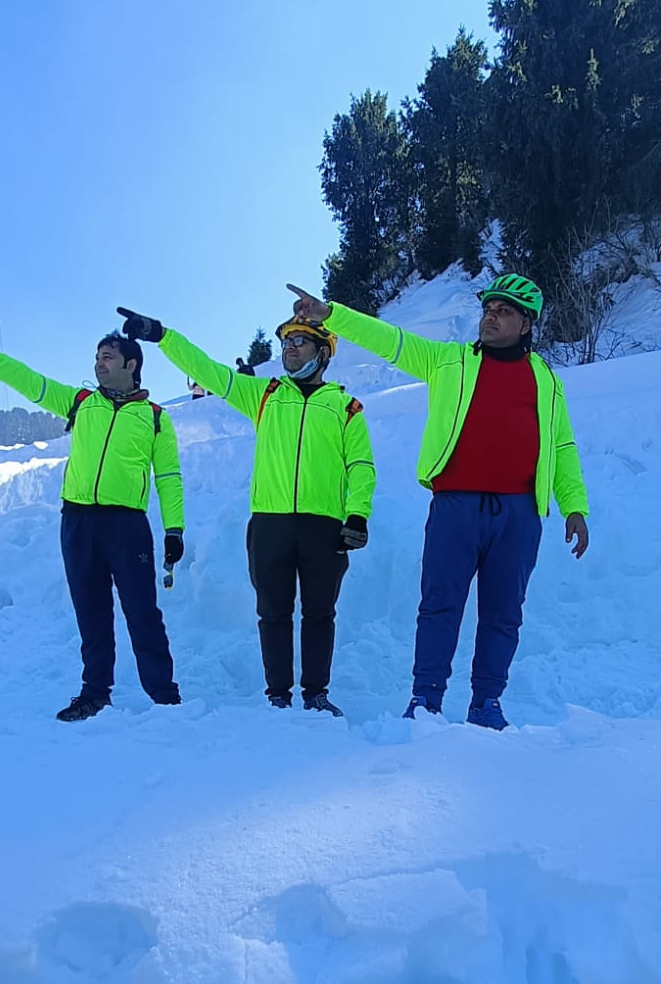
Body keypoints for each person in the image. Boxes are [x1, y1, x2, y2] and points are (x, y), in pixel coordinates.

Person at [285, 275, 589, 730]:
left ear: (526, 324)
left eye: (503, 311)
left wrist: (574, 506)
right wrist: (331, 315)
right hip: (455, 508)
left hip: (519, 514)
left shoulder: (546, 380)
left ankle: (486, 702)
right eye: (488, 309)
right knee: (439, 605)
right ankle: (425, 699)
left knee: (504, 614)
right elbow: (391, 341)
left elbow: (561, 446)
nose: (490, 317)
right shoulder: (449, 361)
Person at [116, 305, 376, 715]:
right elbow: (208, 371)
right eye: (285, 342)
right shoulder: (265, 395)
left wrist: (357, 514)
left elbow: (360, 465)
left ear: (323, 351)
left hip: (324, 527)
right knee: (273, 612)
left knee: (319, 613)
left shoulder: (346, 408)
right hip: (269, 525)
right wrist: (162, 335)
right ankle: (278, 696)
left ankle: (315, 694)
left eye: (300, 341)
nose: (289, 348)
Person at [0, 316, 185, 721]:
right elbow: (21, 376)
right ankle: (95, 693)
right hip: (77, 522)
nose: (99, 363)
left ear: (131, 364)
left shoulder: (156, 418)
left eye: (108, 357)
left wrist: (174, 528)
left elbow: (169, 476)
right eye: (97, 357)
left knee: (142, 612)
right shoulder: (81, 402)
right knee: (91, 612)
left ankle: (164, 693)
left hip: (127, 525)